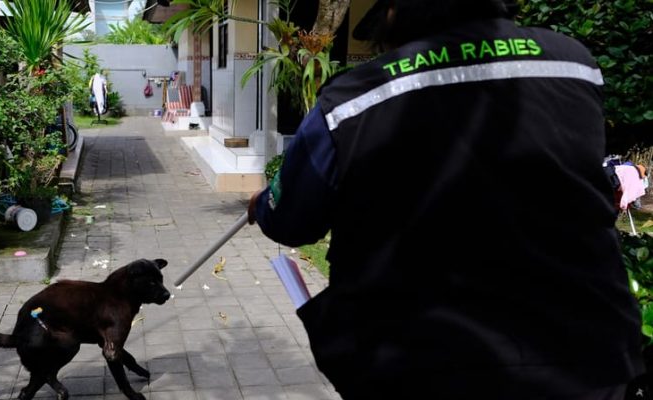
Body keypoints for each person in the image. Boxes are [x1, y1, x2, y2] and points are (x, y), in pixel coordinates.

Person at [247, 0, 646, 398]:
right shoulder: (574, 65)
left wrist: (264, 205)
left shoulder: (354, 100)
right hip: (586, 355)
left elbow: (292, 221)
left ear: (393, 13)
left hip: (424, 367)